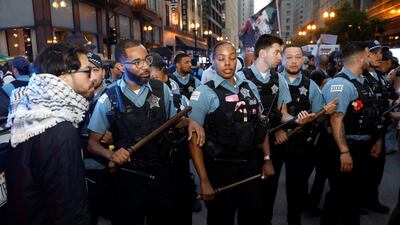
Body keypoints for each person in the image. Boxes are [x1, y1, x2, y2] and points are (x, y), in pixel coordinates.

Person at [87, 39, 204, 225]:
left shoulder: (162, 89)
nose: (145, 67)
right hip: (127, 180)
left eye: (146, 60)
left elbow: (173, 122)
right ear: (120, 66)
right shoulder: (109, 98)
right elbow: (92, 143)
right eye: (136, 63)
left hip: (161, 176)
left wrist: (189, 122)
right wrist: (111, 153)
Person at [5, 43, 94, 225]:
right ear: (63, 76)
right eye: (87, 71)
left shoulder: (30, 114)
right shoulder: (60, 128)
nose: (93, 78)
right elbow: (70, 210)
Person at [188, 41, 274, 225]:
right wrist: (203, 180)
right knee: (221, 218)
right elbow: (193, 140)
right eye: (221, 58)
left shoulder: (250, 87)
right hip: (220, 168)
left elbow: (261, 123)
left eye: (232, 58)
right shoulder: (203, 93)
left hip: (250, 164)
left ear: (238, 61)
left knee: (253, 215)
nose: (227, 63)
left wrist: (267, 159)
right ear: (213, 61)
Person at [238, 34, 312, 225]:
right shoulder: (239, 79)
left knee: (268, 192)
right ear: (262, 53)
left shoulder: (279, 79)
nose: (281, 57)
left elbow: (283, 113)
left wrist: (297, 120)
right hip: (246, 147)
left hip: (272, 145)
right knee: (248, 199)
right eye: (277, 52)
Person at [321, 41, 382, 225]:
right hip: (347, 149)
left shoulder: (363, 81)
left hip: (362, 148)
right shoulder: (340, 84)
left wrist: (376, 141)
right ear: (360, 57)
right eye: (368, 54)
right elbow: (335, 120)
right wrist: (344, 151)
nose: (372, 57)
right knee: (341, 196)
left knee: (350, 197)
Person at [360, 40, 394, 214]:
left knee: (376, 170)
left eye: (380, 53)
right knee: (362, 170)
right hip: (365, 133)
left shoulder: (381, 77)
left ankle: (372, 200)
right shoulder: (360, 76)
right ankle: (357, 202)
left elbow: (383, 103)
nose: (379, 56)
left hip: (381, 130)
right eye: (375, 52)